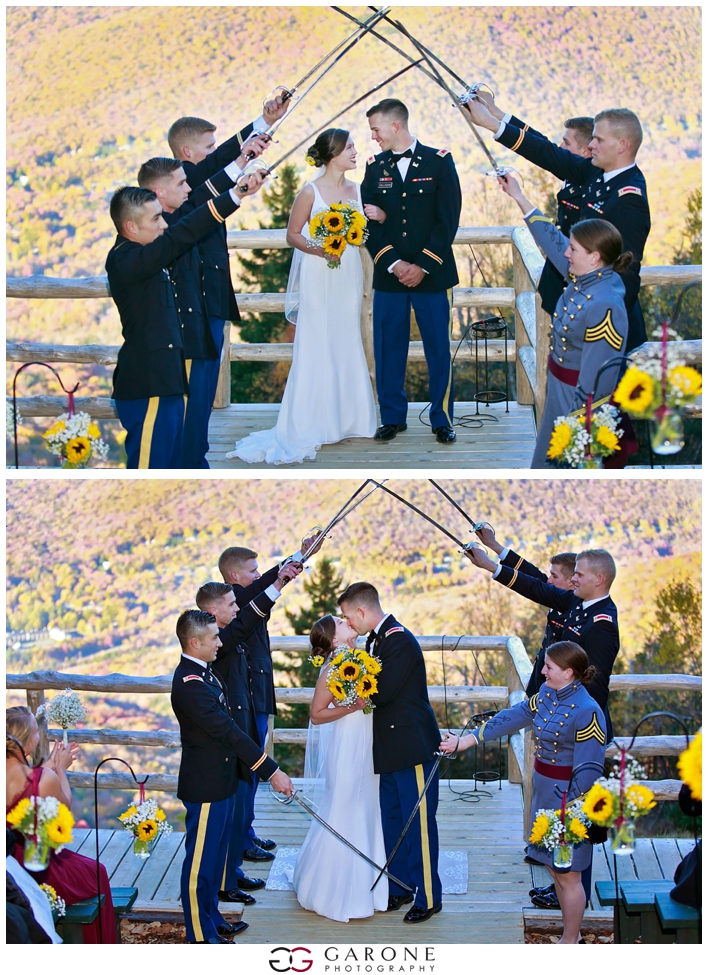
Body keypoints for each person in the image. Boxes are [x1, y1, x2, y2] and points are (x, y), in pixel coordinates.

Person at [440, 642, 606, 945]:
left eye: (549, 667)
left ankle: (571, 942)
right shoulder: (546, 695)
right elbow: (515, 716)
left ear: (568, 672)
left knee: (568, 874)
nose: (542, 671)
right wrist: (469, 740)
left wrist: (571, 814)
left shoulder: (588, 711)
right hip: (543, 793)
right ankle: (574, 935)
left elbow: (590, 769)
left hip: (569, 802)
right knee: (553, 869)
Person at [227, 128, 377, 464]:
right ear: (334, 153)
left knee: (346, 337)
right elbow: (293, 234)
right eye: (350, 147)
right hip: (318, 271)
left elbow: (365, 230)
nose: (355, 152)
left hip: (348, 272)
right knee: (317, 341)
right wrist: (322, 249)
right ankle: (312, 421)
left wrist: (369, 222)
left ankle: (350, 420)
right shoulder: (310, 192)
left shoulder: (357, 189)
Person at [463, 98, 650, 351]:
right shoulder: (598, 173)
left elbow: (623, 273)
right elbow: (549, 153)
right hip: (578, 311)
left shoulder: (628, 198)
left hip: (603, 328)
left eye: (599, 140)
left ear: (622, 146)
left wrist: (599, 326)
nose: (591, 145)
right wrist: (494, 123)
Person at [106, 175, 264, 468]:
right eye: (156, 220)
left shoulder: (143, 254)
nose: (164, 225)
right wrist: (234, 196)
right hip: (148, 383)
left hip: (165, 380)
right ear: (131, 227)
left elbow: (182, 221)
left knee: (172, 464)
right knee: (151, 469)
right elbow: (182, 234)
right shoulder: (128, 260)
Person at [171, 610, 293, 944]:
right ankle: (199, 935)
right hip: (207, 786)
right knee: (200, 864)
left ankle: (211, 920)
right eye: (213, 638)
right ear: (194, 643)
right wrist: (272, 771)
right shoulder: (191, 685)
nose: (219, 642)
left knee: (214, 860)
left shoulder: (206, 675)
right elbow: (229, 732)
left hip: (222, 782)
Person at [498, 174, 630, 468]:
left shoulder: (604, 304)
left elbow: (598, 381)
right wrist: (519, 196)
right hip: (559, 390)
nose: (566, 253)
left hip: (576, 403)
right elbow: (553, 241)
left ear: (595, 257)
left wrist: (575, 427)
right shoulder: (586, 277)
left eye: (574, 249)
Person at [168, 100, 287, 401]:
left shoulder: (203, 178)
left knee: (207, 384)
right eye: (209, 148)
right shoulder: (184, 178)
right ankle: (192, 448)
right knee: (197, 386)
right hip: (197, 297)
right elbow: (218, 169)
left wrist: (264, 124)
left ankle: (199, 448)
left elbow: (217, 176)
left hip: (214, 290)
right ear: (187, 153)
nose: (215, 153)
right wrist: (247, 150)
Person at [338, 582, 442, 924]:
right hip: (389, 747)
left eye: (347, 616)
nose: (347, 623)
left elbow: (380, 694)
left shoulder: (397, 639)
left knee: (418, 825)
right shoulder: (377, 639)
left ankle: (428, 896)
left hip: (412, 746)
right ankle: (400, 885)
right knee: (393, 821)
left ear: (362, 611)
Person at [195, 568, 299, 905]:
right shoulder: (219, 644)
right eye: (231, 603)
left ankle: (231, 875)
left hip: (242, 740)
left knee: (238, 814)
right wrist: (279, 584)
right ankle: (225, 882)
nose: (238, 606)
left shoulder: (225, 638)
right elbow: (247, 622)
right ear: (214, 613)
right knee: (230, 817)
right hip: (232, 746)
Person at [361, 98, 462, 445]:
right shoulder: (375, 168)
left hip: (433, 274)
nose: (372, 136)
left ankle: (441, 417)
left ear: (395, 126)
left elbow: (447, 220)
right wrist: (394, 262)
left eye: (375, 128)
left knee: (438, 347)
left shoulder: (440, 162)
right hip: (390, 274)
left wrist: (422, 265)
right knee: (388, 347)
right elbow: (368, 224)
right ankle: (391, 417)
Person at [136, 157, 247, 468]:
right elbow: (197, 211)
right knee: (186, 406)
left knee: (199, 404)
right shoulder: (160, 227)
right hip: (180, 333)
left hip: (199, 321)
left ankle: (196, 458)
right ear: (159, 192)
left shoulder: (175, 215)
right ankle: (187, 462)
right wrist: (237, 184)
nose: (188, 187)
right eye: (181, 183)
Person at [217, 538, 315, 872]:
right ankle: (241, 840)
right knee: (249, 768)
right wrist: (283, 574)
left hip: (257, 692)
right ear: (234, 576)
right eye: (252, 570)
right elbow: (263, 587)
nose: (258, 574)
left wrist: (301, 555)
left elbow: (263, 583)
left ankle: (247, 831)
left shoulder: (244, 596)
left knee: (253, 770)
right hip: (248, 697)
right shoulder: (239, 600)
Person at [293, 614, 388, 922]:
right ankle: (335, 889)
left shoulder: (362, 659)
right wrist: (351, 706)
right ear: (334, 640)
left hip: (367, 741)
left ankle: (370, 886)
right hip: (346, 744)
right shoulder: (333, 668)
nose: (347, 621)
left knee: (367, 805)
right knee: (345, 805)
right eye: (341, 622)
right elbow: (317, 715)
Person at [6, 707, 117, 943]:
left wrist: (46, 770)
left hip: (9, 865)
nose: (39, 738)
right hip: (37, 866)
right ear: (25, 741)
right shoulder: (42, 779)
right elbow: (63, 806)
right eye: (36, 733)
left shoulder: (32, 776)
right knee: (97, 872)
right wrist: (61, 771)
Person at [474, 525, 577, 696]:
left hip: (556, 691)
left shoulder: (570, 605)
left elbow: (533, 586)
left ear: (571, 583)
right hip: (542, 682)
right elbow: (533, 576)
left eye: (554, 576)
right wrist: (495, 546)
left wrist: (491, 566)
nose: (549, 580)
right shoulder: (563, 596)